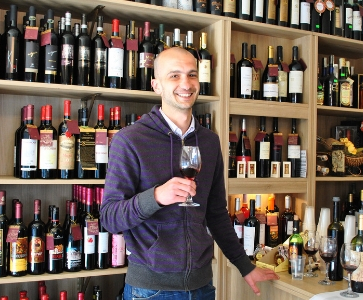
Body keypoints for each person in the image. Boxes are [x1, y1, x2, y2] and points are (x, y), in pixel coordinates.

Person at [100, 47, 279, 299]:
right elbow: (109, 217)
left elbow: (216, 213)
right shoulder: (130, 140)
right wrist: (158, 196)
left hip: (202, 286)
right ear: (156, 85)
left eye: (192, 75)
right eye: (174, 75)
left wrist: (244, 266)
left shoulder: (209, 141)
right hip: (150, 290)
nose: (186, 83)